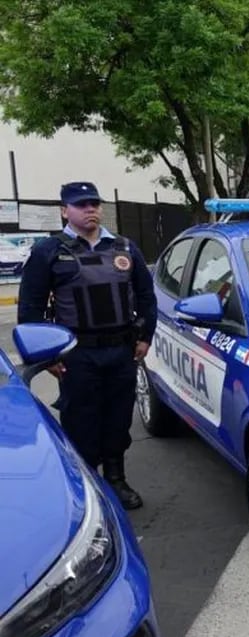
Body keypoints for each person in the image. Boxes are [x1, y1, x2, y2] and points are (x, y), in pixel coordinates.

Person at [17, 182, 157, 509]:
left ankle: (116, 479)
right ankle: (86, 485)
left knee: (119, 418)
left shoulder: (124, 248)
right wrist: (45, 353)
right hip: (76, 355)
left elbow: (147, 297)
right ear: (65, 211)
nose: (90, 209)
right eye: (81, 204)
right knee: (81, 420)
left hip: (121, 351)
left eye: (94, 203)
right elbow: (30, 308)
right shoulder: (49, 251)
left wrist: (145, 337)